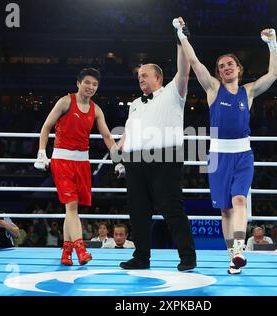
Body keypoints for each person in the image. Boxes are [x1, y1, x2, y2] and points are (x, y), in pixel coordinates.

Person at [175, 17, 277, 273]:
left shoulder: (250, 91)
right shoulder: (213, 88)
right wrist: (182, 34)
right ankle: (233, 257)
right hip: (219, 155)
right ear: (219, 72)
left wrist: (273, 45)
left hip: (243, 155)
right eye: (222, 66)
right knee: (225, 211)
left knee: (240, 201)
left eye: (230, 64)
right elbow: (195, 63)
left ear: (239, 68)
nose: (226, 68)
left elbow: (274, 73)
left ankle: (239, 249)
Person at [115, 19, 196, 272]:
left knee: (172, 210)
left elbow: (184, 70)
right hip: (135, 162)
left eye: (145, 75)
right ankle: (141, 258)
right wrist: (121, 159)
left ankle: (188, 257)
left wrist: (180, 37)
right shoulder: (135, 104)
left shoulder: (173, 92)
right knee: (138, 213)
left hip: (165, 158)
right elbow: (129, 132)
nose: (140, 79)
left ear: (158, 77)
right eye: (138, 76)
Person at [34, 68, 117, 265]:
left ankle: (65, 254)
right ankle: (81, 250)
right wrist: (41, 152)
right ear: (78, 83)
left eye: (95, 84)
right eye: (87, 82)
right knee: (72, 206)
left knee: (71, 210)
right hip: (62, 160)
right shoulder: (65, 101)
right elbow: (46, 126)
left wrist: (118, 158)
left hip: (82, 163)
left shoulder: (96, 110)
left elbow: (107, 136)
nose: (91, 87)